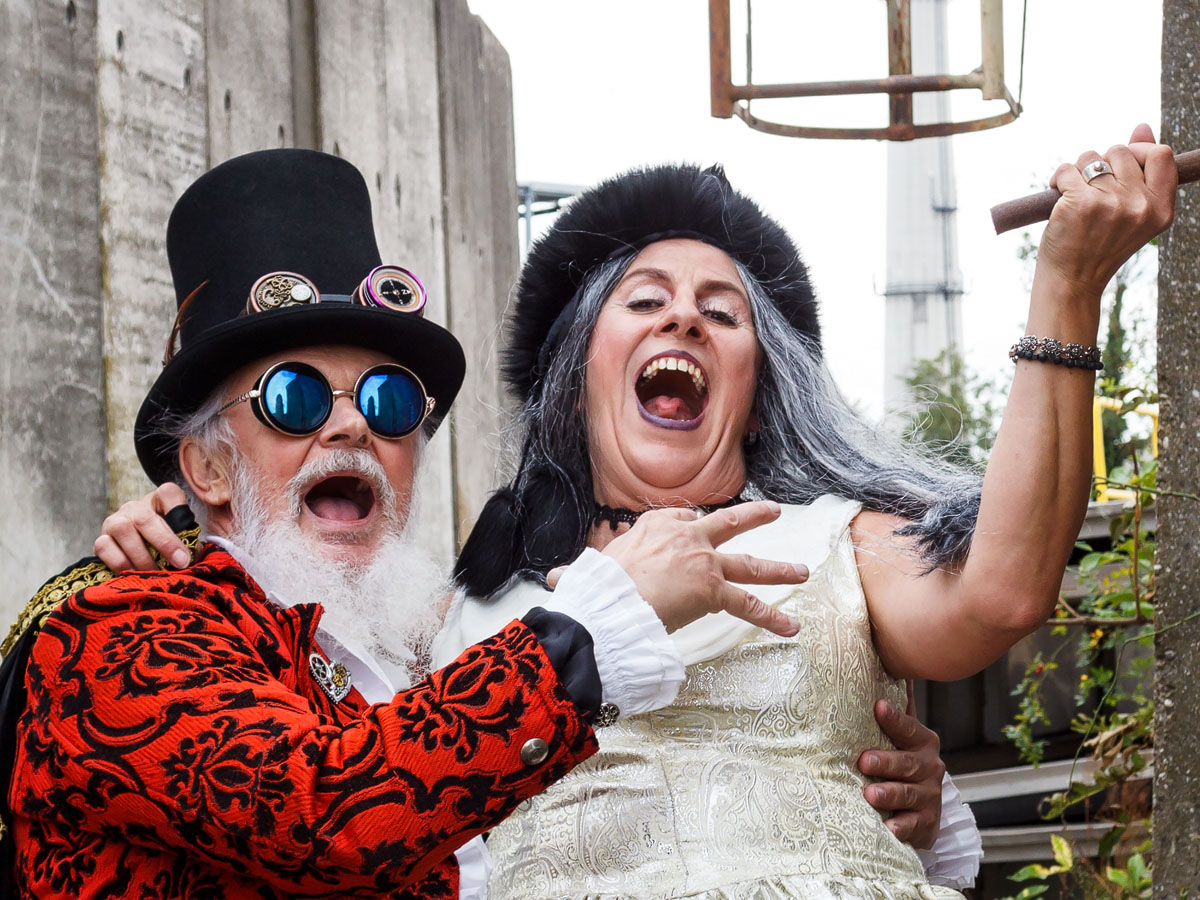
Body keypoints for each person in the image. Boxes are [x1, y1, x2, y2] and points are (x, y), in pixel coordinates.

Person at [0, 149, 821, 900]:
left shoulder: (409, 666)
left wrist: (850, 785)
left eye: (390, 401)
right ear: (208, 468)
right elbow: (328, 813)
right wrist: (599, 621)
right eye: (295, 396)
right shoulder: (116, 628)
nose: (353, 426)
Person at [430, 125, 1176, 897]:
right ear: (573, 380)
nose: (683, 319)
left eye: (724, 314)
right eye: (645, 300)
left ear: (759, 402)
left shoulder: (839, 542)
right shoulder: (461, 621)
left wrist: (1066, 287)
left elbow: (1004, 594)